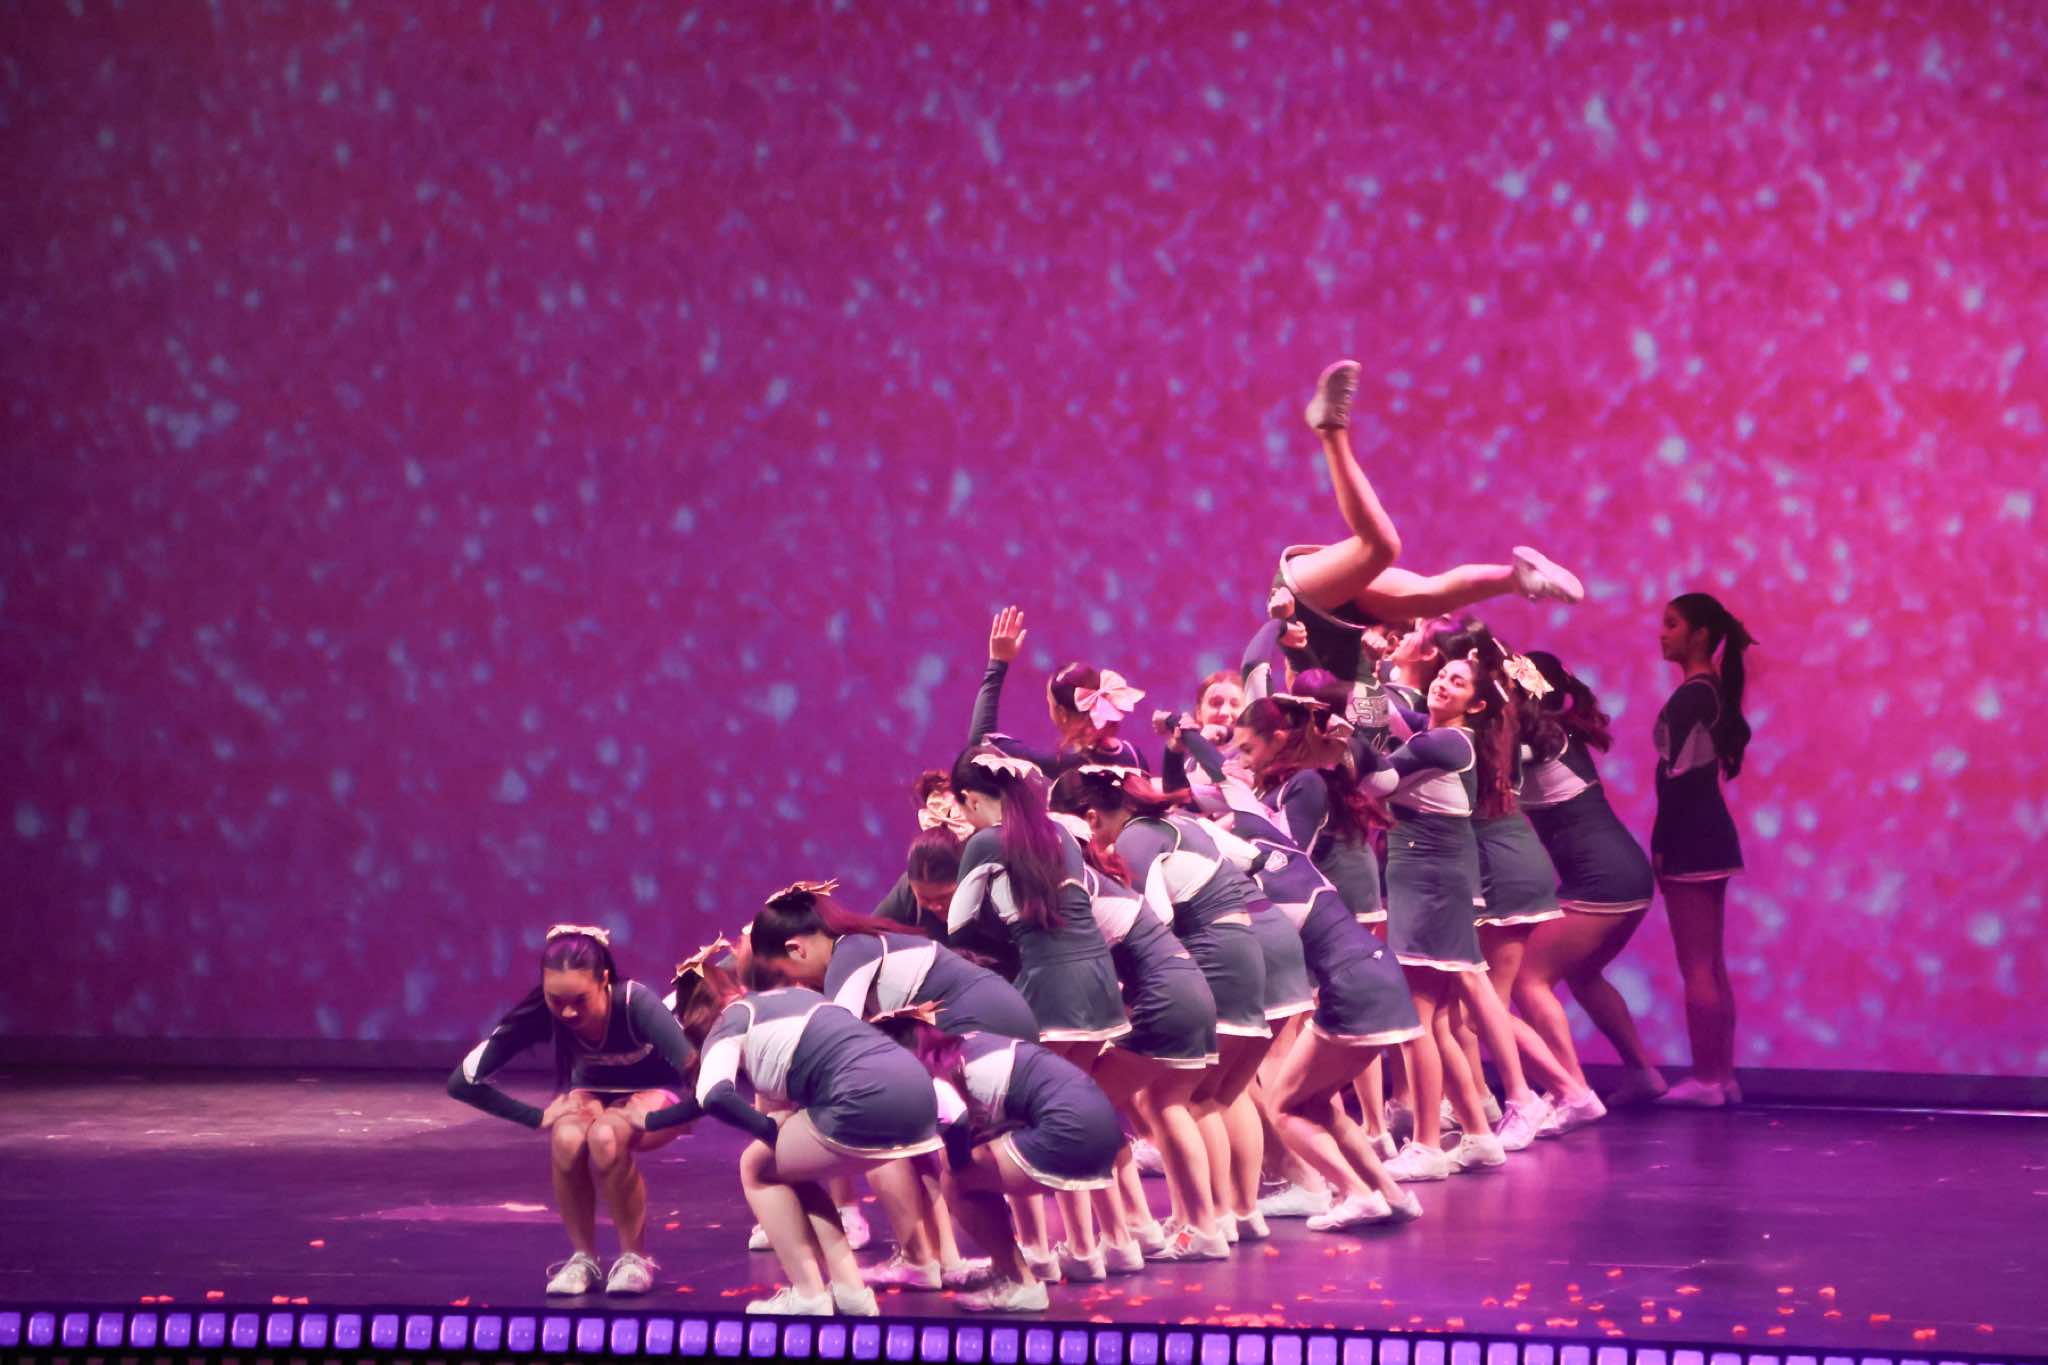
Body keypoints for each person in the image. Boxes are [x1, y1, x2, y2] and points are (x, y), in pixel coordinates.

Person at [667, 944, 944, 1317]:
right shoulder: (798, 996)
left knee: (755, 1167)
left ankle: (809, 1295)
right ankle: (851, 1292)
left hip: (864, 1100)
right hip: (919, 1095)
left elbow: (713, 1094)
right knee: (793, 1168)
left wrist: (766, 1129)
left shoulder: (730, 1020)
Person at [1272, 360, 1585, 687]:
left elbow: (1301, 684)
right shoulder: (1395, 673)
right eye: (1426, 628)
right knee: (1426, 588)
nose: (1416, 632)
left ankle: (1330, 431)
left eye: (1427, 634)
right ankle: (1516, 578)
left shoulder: (1391, 697)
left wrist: (1293, 631)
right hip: (1336, 610)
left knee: (1384, 549)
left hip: (1305, 607)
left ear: (1430, 658)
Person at [445, 925, 701, 1297]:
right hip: (593, 1094)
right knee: (566, 1138)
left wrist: (658, 1119)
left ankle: (634, 1259)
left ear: (604, 980)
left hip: (657, 1094)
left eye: (580, 1000)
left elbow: (705, 1081)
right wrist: (535, 1117)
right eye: (556, 999)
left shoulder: (635, 1003)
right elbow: (461, 1082)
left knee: (605, 1138)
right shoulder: (542, 1012)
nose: (567, 1010)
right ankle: (584, 1259)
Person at [881, 1010, 1126, 1313]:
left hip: (1072, 1133)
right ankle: (1005, 1268)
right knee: (976, 1167)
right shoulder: (962, 1046)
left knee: (957, 1182)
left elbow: (956, 1123)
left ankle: (1022, 1285)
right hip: (1099, 1126)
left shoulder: (937, 1078)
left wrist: (960, 1165)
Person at [1516, 650, 1666, 1107]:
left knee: (1526, 978)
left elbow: (1482, 758)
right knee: (1583, 974)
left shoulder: (1541, 740)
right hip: (1623, 876)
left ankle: (1570, 1091)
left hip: (1605, 879)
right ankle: (1642, 1074)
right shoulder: (1542, 736)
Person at [1653, 593, 1757, 1107]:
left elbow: (1678, 783)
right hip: (1708, 834)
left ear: (1699, 635)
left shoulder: (1693, 697)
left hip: (1691, 837)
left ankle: (1708, 1078)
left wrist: (1661, 845)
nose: (1662, 633)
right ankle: (1722, 1075)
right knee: (1710, 963)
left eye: (1672, 624)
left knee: (1697, 964)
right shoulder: (1708, 692)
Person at [972, 606, 1150, 774]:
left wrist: (997, 663)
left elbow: (981, 746)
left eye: (1049, 703)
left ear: (1062, 714)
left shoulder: (1065, 769)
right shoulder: (1134, 755)